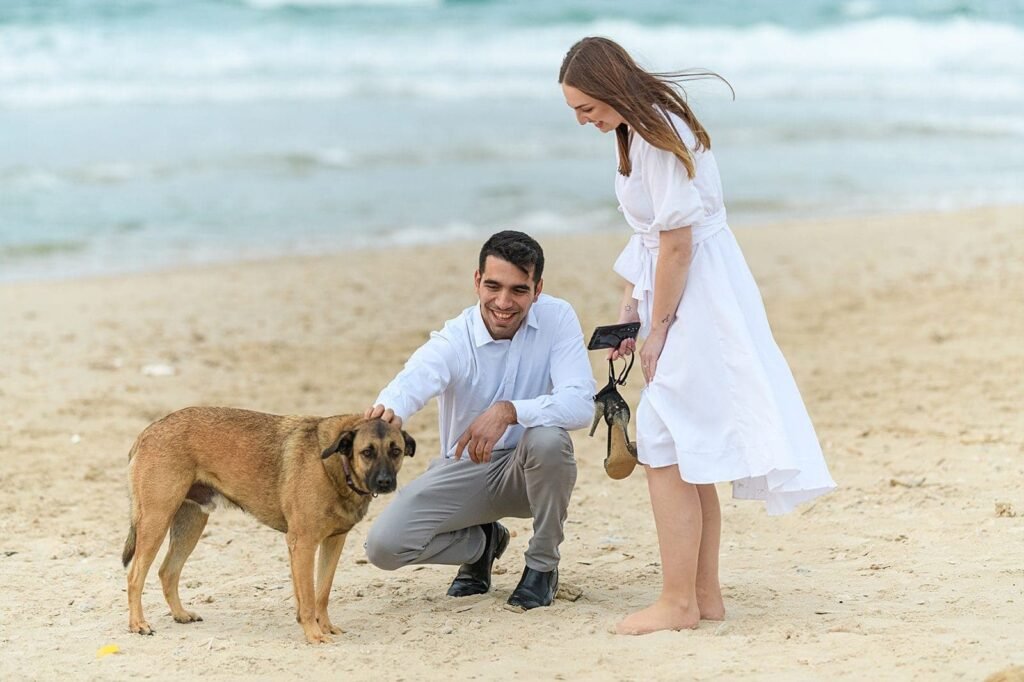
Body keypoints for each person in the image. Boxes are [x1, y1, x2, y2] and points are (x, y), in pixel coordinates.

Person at [559, 37, 837, 635]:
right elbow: (654, 237)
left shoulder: (658, 133)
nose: (585, 121)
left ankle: (678, 603)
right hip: (686, 286)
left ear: (609, 86)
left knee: (662, 442)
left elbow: (679, 242)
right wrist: (632, 304)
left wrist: (657, 327)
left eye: (586, 108)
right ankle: (703, 597)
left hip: (699, 295)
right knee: (686, 447)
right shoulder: (637, 128)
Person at [363, 230, 595, 610]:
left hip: (530, 471)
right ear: (477, 281)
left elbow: (581, 403)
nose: (503, 302)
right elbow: (419, 374)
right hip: (466, 468)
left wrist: (510, 410)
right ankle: (484, 545)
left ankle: (542, 566)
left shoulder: (558, 317)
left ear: (537, 290)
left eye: (519, 290)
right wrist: (392, 407)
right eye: (493, 286)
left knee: (549, 439)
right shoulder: (457, 336)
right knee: (384, 547)